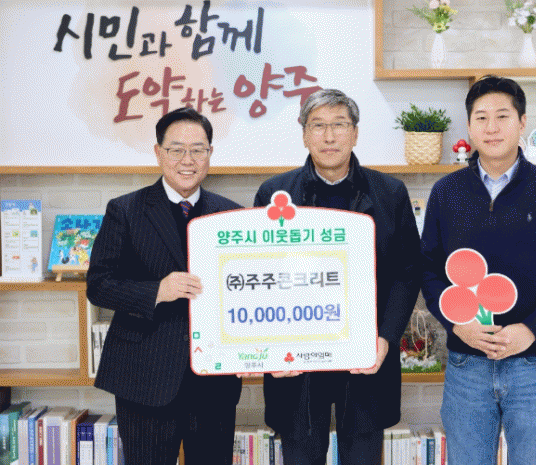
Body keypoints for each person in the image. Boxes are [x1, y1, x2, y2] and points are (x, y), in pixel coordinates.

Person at [420, 76, 536, 465]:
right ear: (469, 127)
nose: (492, 127)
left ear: (522, 123)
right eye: (481, 117)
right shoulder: (446, 192)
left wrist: (531, 329)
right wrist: (457, 324)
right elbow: (429, 270)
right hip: (468, 362)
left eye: (502, 116)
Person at [254, 89, 421, 465]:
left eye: (339, 125)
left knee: (363, 454)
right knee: (300, 454)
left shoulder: (390, 193)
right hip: (297, 356)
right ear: (304, 134)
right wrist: (270, 347)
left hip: (365, 352)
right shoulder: (275, 193)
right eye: (318, 126)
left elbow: (407, 272)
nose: (329, 136)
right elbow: (261, 277)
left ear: (355, 133)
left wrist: (385, 338)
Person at [87, 107, 242, 465]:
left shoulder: (231, 215)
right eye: (176, 150)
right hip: (146, 377)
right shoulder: (125, 210)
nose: (188, 160)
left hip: (213, 380)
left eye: (198, 150)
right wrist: (157, 291)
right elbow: (99, 285)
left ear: (210, 154)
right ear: (158, 152)